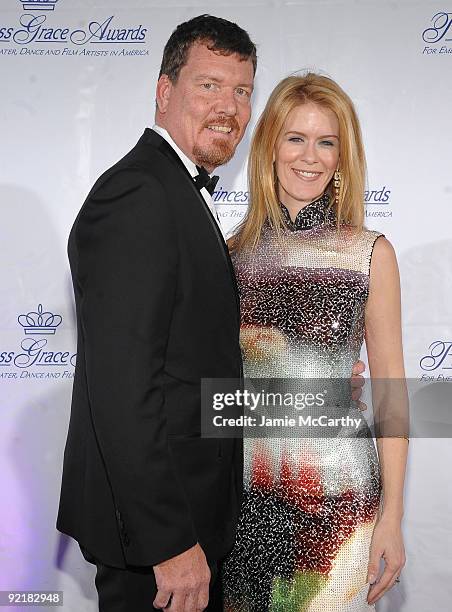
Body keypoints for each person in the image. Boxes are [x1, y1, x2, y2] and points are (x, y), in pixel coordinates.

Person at [57, 15, 256, 612]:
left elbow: (185, 361)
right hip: (160, 543)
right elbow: (122, 389)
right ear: (165, 91)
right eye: (209, 85)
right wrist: (170, 543)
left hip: (191, 522)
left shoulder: (171, 190)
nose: (228, 106)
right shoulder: (140, 194)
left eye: (242, 90)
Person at [222, 74, 408, 611]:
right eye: (295, 138)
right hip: (247, 501)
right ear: (269, 147)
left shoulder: (370, 253)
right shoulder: (230, 255)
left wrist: (391, 516)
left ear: (343, 156)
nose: (311, 156)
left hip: (342, 507)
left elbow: (392, 395)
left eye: (326, 141)